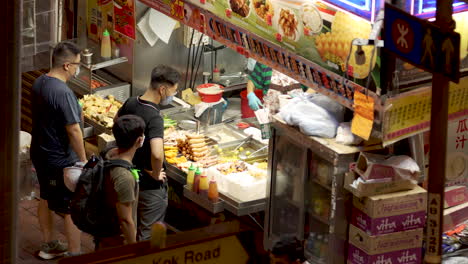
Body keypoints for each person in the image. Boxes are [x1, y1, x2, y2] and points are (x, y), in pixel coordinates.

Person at [31, 41, 86, 259]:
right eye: (77, 65)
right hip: (59, 159)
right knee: (70, 206)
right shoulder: (62, 92)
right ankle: (75, 255)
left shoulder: (39, 82)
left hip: (40, 151)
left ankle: (49, 244)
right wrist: (83, 160)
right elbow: (73, 130)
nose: (77, 69)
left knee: (45, 196)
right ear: (66, 65)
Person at [116, 64, 181, 241]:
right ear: (162, 89)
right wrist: (154, 172)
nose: (173, 95)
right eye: (174, 91)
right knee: (148, 236)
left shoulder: (130, 102)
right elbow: (158, 153)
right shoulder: (154, 117)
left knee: (128, 226)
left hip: (128, 175)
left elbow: (116, 123)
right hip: (149, 187)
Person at [95, 115, 146, 249]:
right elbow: (125, 220)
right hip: (117, 243)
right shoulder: (124, 177)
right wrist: (133, 249)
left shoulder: (108, 154)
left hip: (103, 234)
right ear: (139, 140)